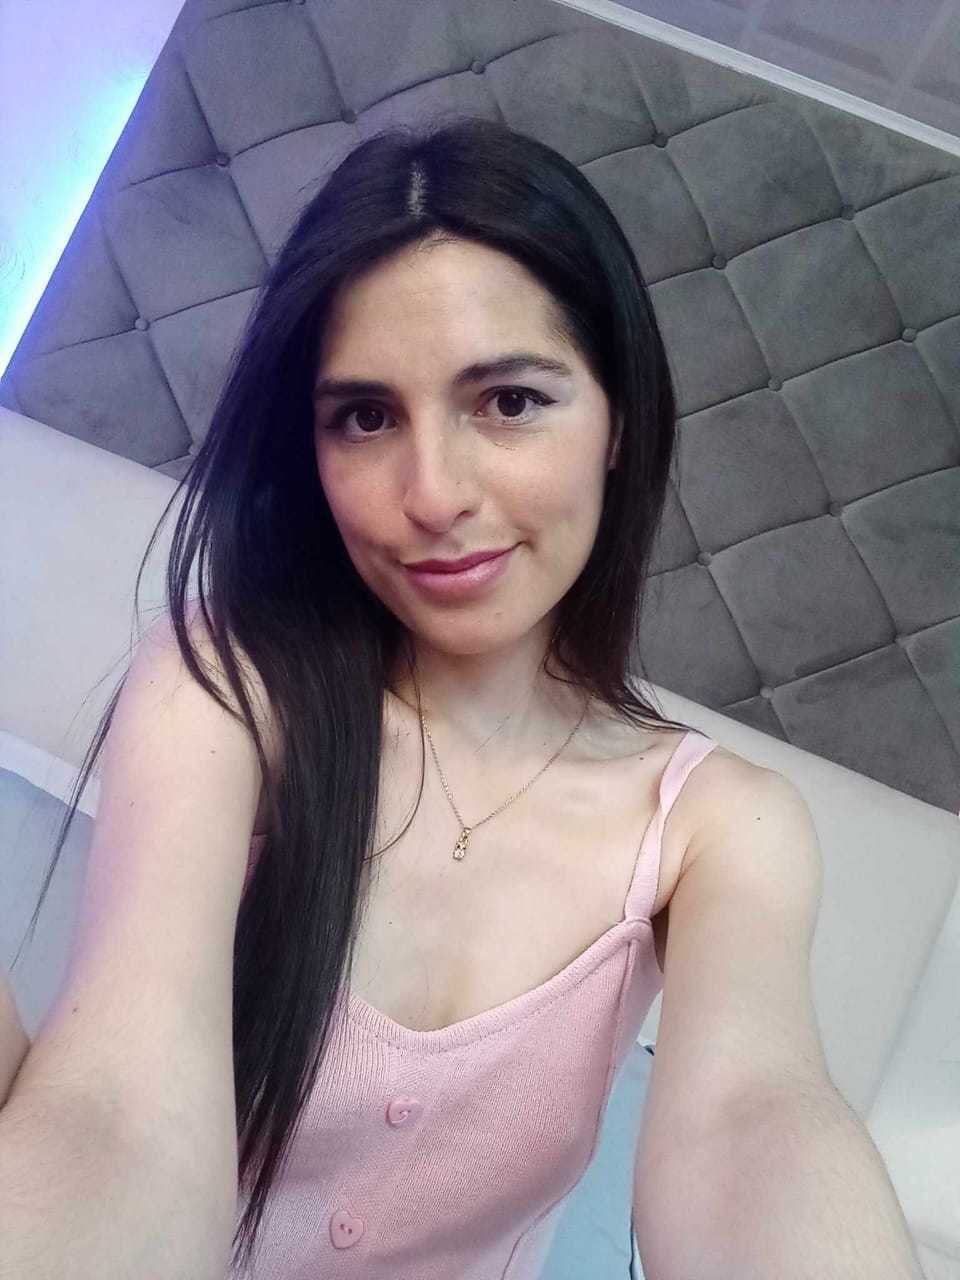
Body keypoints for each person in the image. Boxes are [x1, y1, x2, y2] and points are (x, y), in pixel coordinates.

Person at [10, 116, 719, 1279]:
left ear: (617, 423)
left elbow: (756, 1121)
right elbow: (118, 1113)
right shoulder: (230, 692)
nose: (431, 494)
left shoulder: (711, 824)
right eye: (365, 416)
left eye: (509, 401)